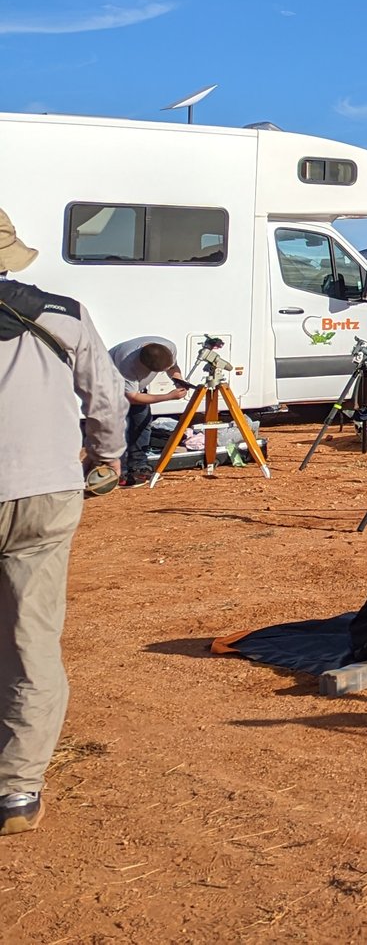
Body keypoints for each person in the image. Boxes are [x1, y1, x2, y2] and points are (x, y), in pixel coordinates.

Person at [0, 208, 126, 836]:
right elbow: (106, 397)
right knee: (30, 640)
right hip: (45, 492)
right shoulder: (63, 314)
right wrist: (108, 457)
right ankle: (18, 791)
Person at [110, 337, 186, 487]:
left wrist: (178, 379)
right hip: (110, 390)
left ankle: (139, 466)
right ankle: (120, 473)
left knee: (142, 424)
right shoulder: (127, 364)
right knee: (120, 431)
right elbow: (132, 397)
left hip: (135, 389)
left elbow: (172, 367)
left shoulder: (168, 347)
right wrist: (168, 396)